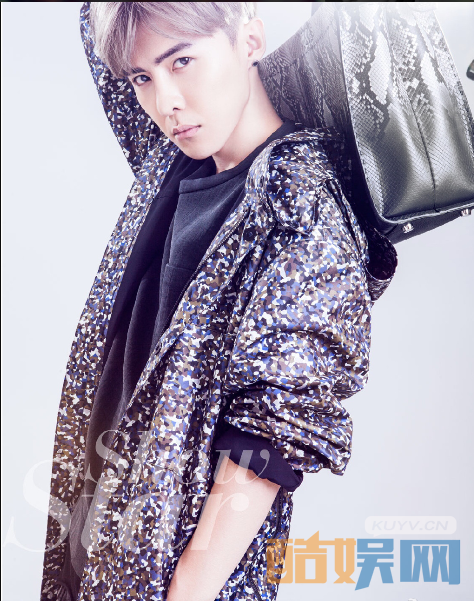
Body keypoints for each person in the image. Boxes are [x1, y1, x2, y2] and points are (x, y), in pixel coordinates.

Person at [40, 3, 396, 601]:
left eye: (183, 61)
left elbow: (271, 434)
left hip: (168, 573)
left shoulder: (298, 201)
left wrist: (186, 591)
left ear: (250, 39)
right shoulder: (170, 162)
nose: (166, 102)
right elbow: (98, 28)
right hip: (97, 542)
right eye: (143, 77)